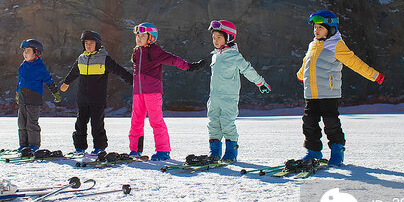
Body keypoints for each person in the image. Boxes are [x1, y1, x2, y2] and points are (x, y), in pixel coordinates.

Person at [297, 10, 385, 166]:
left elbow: (355, 63)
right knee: (309, 122)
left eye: (320, 28)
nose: (316, 31)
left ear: (331, 29)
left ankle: (337, 152)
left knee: (331, 123)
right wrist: (300, 74)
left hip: (329, 93)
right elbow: (306, 62)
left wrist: (374, 75)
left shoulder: (337, 45)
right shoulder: (312, 45)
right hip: (311, 93)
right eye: (315, 27)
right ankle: (313, 152)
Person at [128, 22, 204, 161]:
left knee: (156, 121)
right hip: (138, 93)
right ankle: (135, 150)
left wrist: (188, 67)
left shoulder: (155, 51)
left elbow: (173, 59)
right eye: (137, 35)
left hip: (152, 92)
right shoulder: (137, 51)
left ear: (151, 38)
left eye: (142, 35)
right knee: (136, 121)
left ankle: (163, 150)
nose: (138, 38)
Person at [205, 20, 271, 162]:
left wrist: (260, 82)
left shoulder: (235, 56)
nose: (215, 41)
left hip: (229, 97)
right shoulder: (215, 55)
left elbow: (247, 70)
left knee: (227, 124)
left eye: (219, 37)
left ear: (228, 38)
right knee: (213, 124)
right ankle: (214, 153)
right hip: (214, 97)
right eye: (214, 37)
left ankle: (231, 153)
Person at [60, 30, 133, 154]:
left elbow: (119, 70)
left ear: (97, 44)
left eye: (91, 43)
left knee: (97, 124)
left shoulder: (104, 59)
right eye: (86, 43)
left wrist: (133, 81)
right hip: (82, 98)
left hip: (97, 99)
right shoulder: (81, 58)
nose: (88, 45)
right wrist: (66, 83)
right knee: (80, 123)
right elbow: (73, 73)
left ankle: (99, 148)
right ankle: (79, 148)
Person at [16, 39, 61, 151]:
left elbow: (49, 80)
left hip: (34, 99)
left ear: (36, 53)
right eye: (24, 51)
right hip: (23, 99)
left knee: (32, 124)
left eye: (28, 51)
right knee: (22, 124)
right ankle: (23, 145)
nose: (25, 53)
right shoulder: (22, 66)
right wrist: (17, 93)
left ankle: (34, 145)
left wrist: (55, 92)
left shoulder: (40, 67)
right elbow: (20, 82)